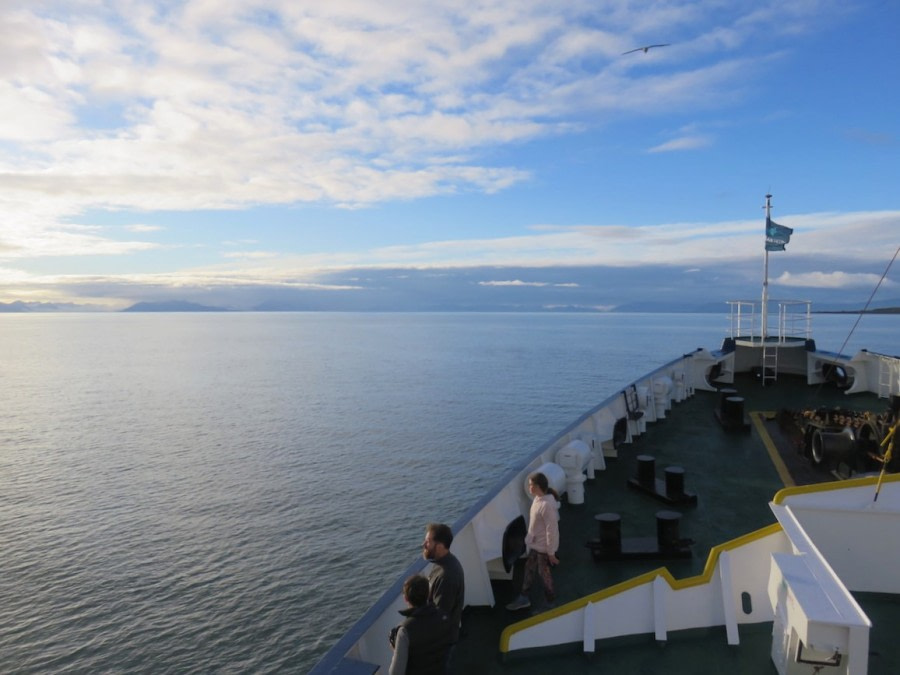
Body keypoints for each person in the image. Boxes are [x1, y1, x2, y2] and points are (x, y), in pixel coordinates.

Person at [505, 471, 560, 611]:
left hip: (543, 548)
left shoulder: (546, 505)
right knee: (529, 569)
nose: (529, 488)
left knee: (544, 574)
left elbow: (551, 530)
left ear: (537, 486)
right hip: (536, 545)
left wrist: (551, 552)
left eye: (530, 485)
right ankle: (524, 598)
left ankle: (550, 602)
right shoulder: (537, 499)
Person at [422, 523, 464, 672]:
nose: (424, 544)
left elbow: (440, 616)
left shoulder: (447, 575)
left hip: (442, 640)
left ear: (439, 546)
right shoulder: (442, 563)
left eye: (428, 541)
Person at [388, 575, 451, 675]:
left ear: (406, 599)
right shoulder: (443, 616)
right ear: (428, 594)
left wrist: (395, 650)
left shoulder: (405, 631)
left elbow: (396, 672)